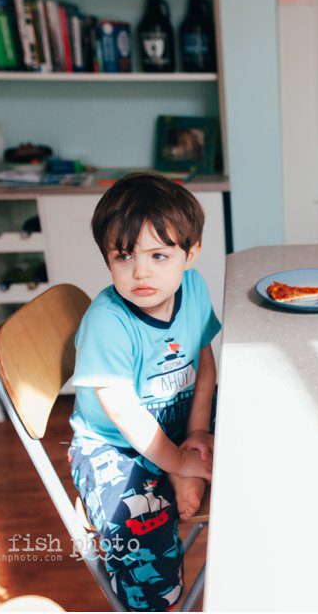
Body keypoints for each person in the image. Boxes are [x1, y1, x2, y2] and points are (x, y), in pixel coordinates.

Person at [67, 172, 219, 611]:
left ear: (190, 254)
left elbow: (203, 362)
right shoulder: (108, 322)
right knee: (140, 535)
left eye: (158, 255)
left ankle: (181, 475)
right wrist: (180, 461)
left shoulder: (194, 287)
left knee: (261, 430)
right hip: (114, 445)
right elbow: (124, 414)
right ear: (107, 258)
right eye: (124, 255)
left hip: (178, 416)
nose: (141, 272)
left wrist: (198, 431)